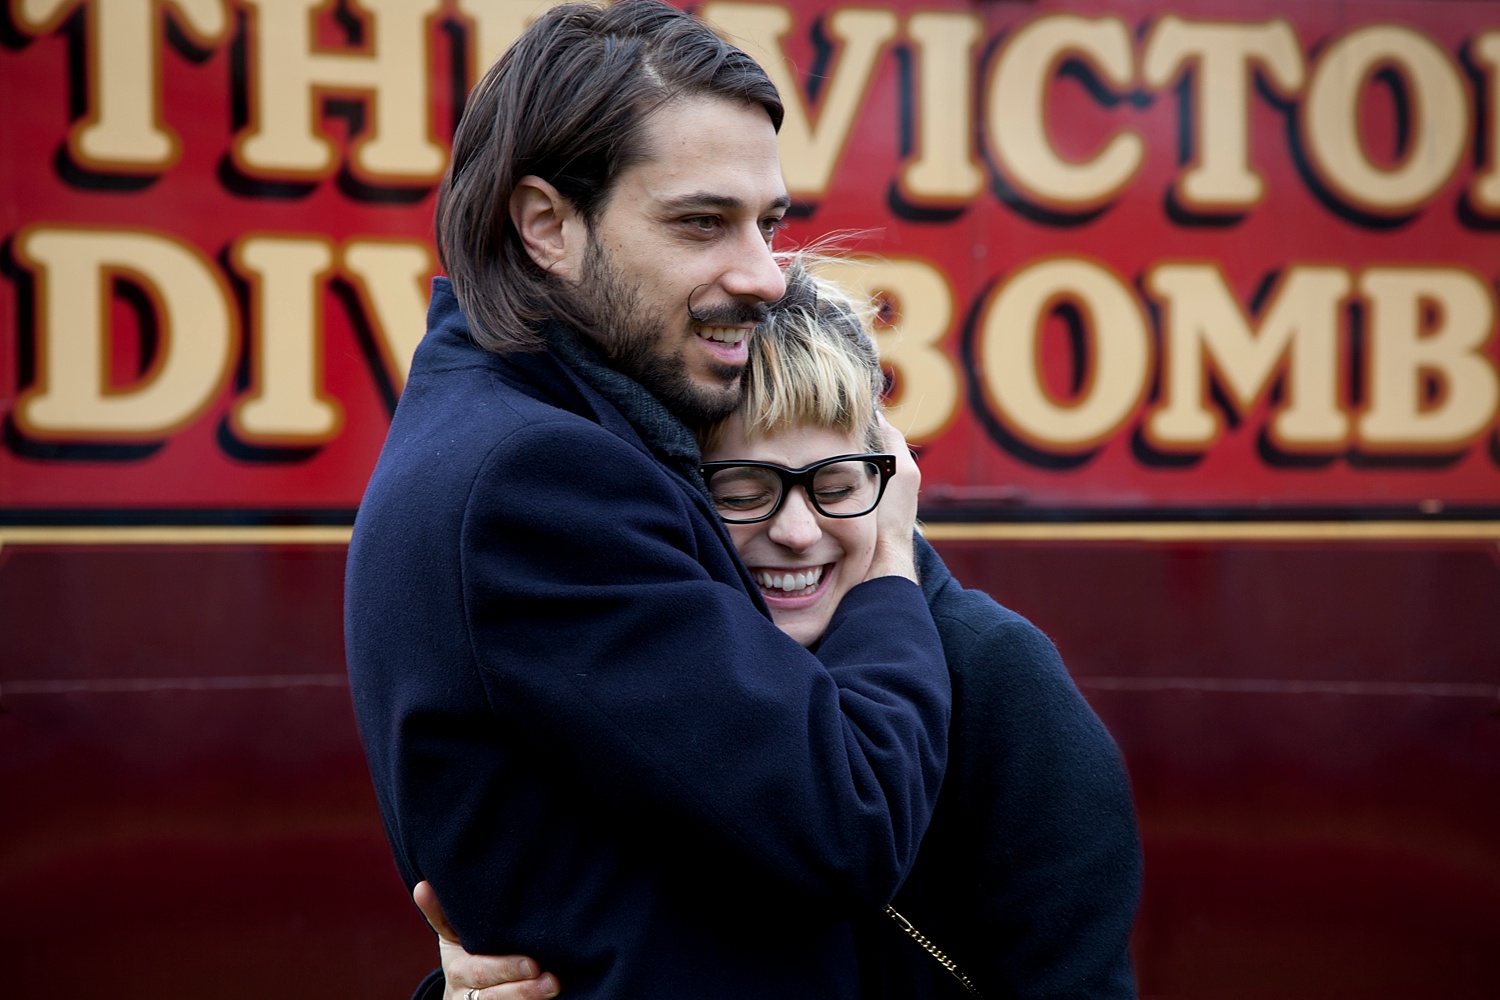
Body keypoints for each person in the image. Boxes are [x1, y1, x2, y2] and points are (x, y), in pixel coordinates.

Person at [343, 3, 951, 998]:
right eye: (701, 222)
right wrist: (888, 565)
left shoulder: (513, 430)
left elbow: (593, 879)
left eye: (770, 222)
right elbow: (854, 817)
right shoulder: (534, 481)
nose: (764, 275)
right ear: (545, 224)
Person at [422, 262, 1144, 1000]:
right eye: (743, 493)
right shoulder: (635, 679)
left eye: (836, 486)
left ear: (890, 485)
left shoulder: (1000, 681)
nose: (798, 532)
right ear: (676, 504)